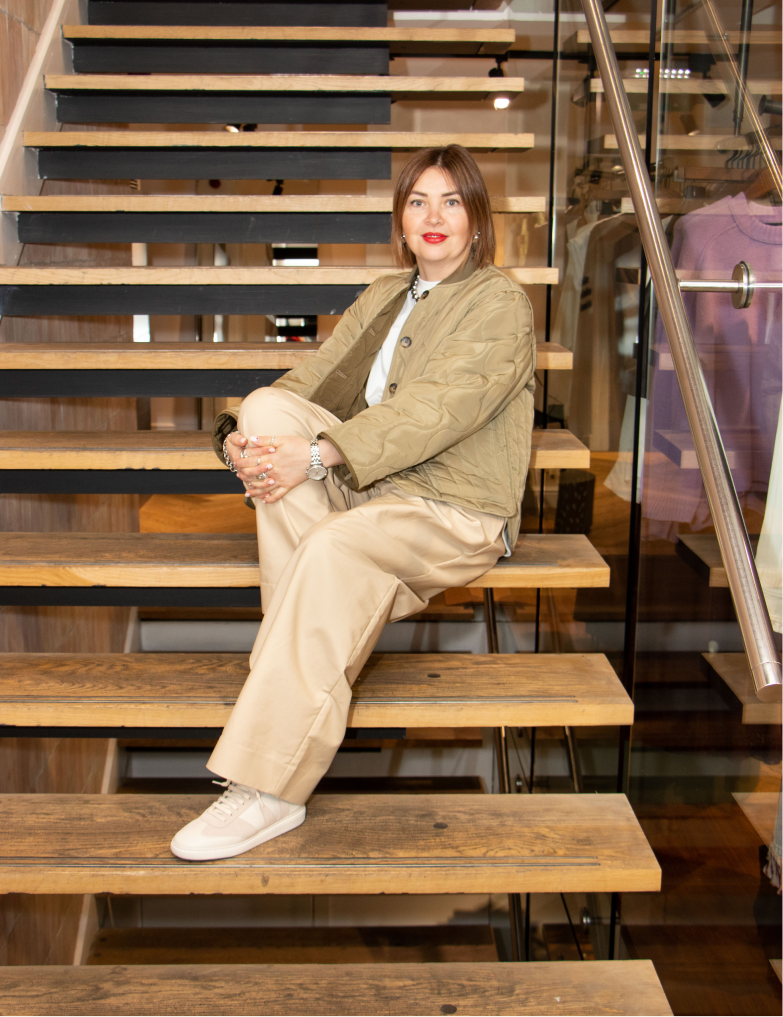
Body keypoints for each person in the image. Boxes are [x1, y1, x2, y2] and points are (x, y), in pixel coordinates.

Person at [170, 144, 536, 861]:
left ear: (476, 221)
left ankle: (270, 787)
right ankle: (297, 662)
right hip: (376, 491)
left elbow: (438, 408)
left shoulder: (499, 303)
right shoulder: (386, 297)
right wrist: (239, 442)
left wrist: (318, 456)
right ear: (400, 221)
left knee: (330, 544)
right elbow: (306, 384)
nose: (433, 217)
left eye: (451, 202)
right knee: (266, 408)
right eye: (418, 202)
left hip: (452, 508)